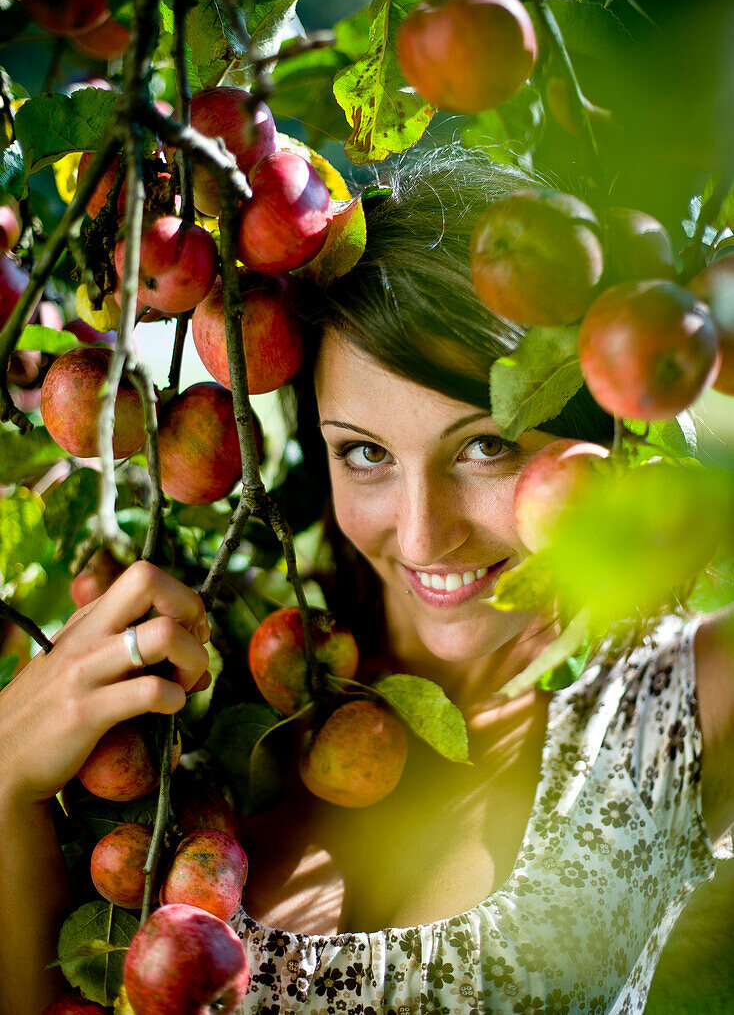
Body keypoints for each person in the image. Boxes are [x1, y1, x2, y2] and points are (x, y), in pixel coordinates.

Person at [0, 147, 732, 1015]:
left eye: (486, 446)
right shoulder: (209, 688)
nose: (424, 533)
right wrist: (7, 780)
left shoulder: (670, 702)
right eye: (367, 453)